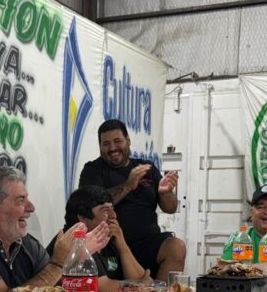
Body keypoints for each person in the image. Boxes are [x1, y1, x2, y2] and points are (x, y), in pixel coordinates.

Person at [78, 119, 186, 281]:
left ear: (128, 140)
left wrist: (165, 193)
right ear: (99, 146)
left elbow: (170, 208)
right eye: (106, 144)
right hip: (111, 246)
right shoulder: (92, 170)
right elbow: (92, 204)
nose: (112, 148)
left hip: (148, 244)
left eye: (117, 141)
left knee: (176, 247)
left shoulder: (146, 168)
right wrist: (127, 186)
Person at [48, 185, 150, 292]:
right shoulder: (74, 241)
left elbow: (143, 280)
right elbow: (103, 290)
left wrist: (122, 246)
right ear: (83, 218)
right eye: (105, 210)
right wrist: (143, 286)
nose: (113, 215)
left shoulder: (109, 240)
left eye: (112, 209)